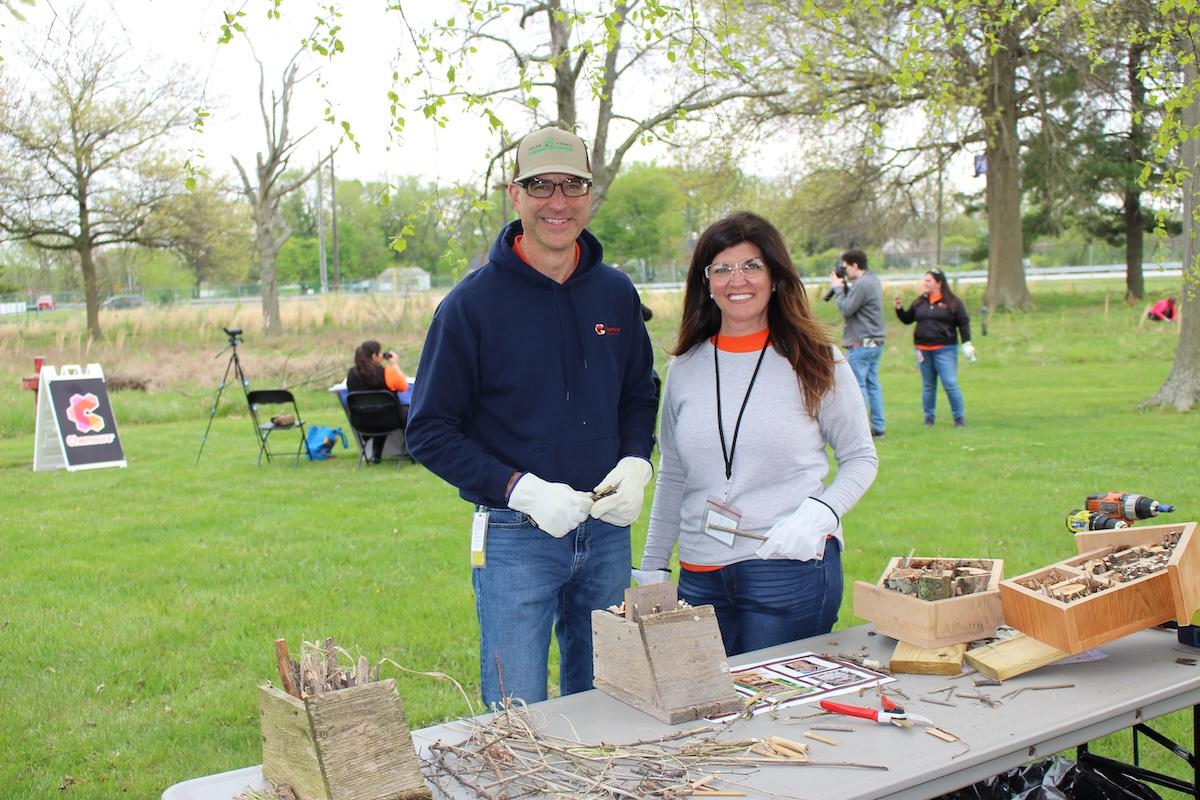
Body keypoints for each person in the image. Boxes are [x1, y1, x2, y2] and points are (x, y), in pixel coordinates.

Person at [405, 126, 658, 707]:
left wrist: (636, 460)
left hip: (606, 527)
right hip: (516, 534)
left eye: (573, 185)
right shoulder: (470, 306)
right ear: (514, 195)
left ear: (590, 196)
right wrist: (518, 490)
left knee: (610, 700)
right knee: (515, 712)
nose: (558, 202)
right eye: (540, 186)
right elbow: (429, 431)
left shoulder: (616, 293)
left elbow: (639, 393)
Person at [637, 212, 878, 657]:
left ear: (775, 276)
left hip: (787, 568)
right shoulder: (685, 368)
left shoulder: (817, 359)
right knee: (709, 716)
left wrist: (820, 515)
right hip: (699, 574)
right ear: (706, 282)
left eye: (751, 265)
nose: (737, 280)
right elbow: (672, 473)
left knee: (777, 716)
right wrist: (653, 566)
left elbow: (861, 458)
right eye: (722, 268)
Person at [893, 268, 975, 428]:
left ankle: (959, 418)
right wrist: (899, 310)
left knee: (950, 383)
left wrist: (967, 343)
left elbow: (963, 323)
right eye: (925, 280)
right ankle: (929, 418)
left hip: (945, 349)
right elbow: (908, 319)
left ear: (939, 283)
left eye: (928, 280)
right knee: (928, 385)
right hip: (923, 350)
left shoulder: (952, 302)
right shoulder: (920, 301)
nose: (925, 283)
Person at [830, 248, 886, 438]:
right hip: (875, 341)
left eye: (845, 267)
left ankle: (860, 430)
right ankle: (878, 427)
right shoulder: (873, 280)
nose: (844, 271)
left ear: (854, 265)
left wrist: (838, 287)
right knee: (873, 384)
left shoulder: (862, 284)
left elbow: (846, 308)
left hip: (861, 343)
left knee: (858, 386)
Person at [345, 340, 410, 462]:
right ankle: (412, 451)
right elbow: (404, 386)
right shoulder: (387, 372)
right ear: (374, 356)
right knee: (411, 412)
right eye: (380, 353)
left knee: (378, 410)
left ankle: (376, 454)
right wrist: (395, 365)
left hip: (361, 421)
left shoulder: (351, 373)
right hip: (389, 420)